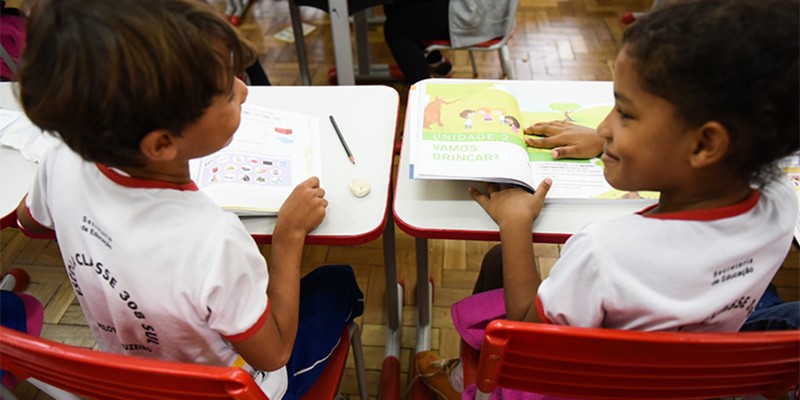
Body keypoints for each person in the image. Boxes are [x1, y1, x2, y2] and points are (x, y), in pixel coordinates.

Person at [414, 0, 800, 398]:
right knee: (500, 264)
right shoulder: (781, 202)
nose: (603, 125)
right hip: (678, 378)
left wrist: (515, 222)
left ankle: (468, 382)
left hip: (571, 384)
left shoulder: (604, 253)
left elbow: (526, 333)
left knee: (502, 257)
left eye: (626, 114)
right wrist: (605, 144)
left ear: (705, 143)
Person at [13, 1, 363, 399]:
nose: (245, 92)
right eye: (226, 93)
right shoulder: (214, 242)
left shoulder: (60, 159)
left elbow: (31, 220)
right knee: (338, 284)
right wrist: (289, 234)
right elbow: (275, 353)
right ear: (162, 143)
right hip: (237, 389)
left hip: (132, 377)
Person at [383, 0, 516, 84]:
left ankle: (425, 99)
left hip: (477, 13)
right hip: (489, 9)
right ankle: (436, 63)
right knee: (395, 7)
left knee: (396, 27)